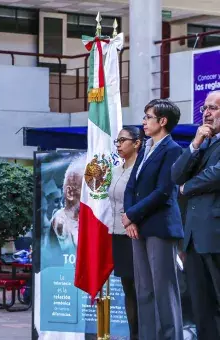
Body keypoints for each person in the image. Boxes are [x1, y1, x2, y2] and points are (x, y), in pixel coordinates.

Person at [123, 99, 184, 340]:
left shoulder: (173, 150)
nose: (143, 121)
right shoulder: (146, 148)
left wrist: (131, 215)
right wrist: (130, 219)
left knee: (163, 290)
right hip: (138, 226)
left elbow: (163, 192)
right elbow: (132, 185)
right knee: (144, 290)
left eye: (148, 117)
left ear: (162, 121)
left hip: (160, 226)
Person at [171, 90, 220, 340]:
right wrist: (194, 145)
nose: (207, 113)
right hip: (193, 238)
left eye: (214, 108)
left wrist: (187, 188)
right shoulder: (204, 143)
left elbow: (216, 175)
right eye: (205, 108)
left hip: (215, 235)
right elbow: (176, 175)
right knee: (201, 307)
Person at [109, 126, 143, 340]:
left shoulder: (141, 170)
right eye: (117, 141)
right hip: (117, 234)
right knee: (128, 289)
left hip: (135, 234)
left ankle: (144, 334)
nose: (119, 145)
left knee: (141, 290)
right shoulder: (117, 169)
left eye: (123, 140)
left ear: (137, 143)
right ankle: (134, 335)